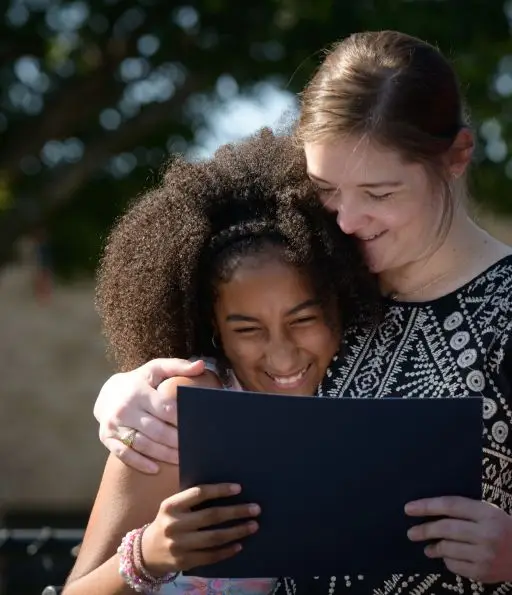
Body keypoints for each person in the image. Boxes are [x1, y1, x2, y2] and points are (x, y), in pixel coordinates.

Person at [92, 30, 512, 594]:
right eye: (326, 189)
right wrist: (127, 387)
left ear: (457, 156)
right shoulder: (319, 286)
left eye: (380, 193)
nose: (345, 221)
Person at [62, 129, 380, 595]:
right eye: (247, 329)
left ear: (343, 304)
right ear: (216, 332)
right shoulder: (181, 410)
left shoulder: (366, 387)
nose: (282, 353)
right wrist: (149, 554)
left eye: (304, 318)